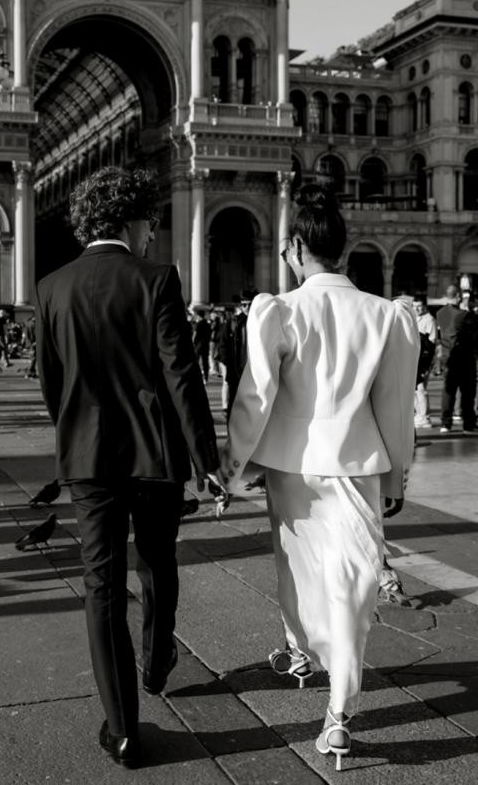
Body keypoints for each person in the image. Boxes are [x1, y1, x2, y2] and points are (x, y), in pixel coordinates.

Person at [211, 184, 419, 770]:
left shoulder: (279, 310)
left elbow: (254, 400)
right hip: (358, 463)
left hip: (293, 465)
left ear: (299, 247)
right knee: (352, 584)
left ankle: (303, 652)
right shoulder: (387, 316)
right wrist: (397, 477)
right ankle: (338, 711)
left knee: (298, 567)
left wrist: (232, 469)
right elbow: (395, 407)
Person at [35, 167, 219, 769]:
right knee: (158, 562)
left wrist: (74, 430)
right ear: (130, 220)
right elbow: (182, 377)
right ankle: (156, 660)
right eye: (150, 224)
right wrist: (205, 460)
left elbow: (51, 381)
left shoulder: (51, 287)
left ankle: (121, 730)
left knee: (101, 585)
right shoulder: (156, 280)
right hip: (155, 456)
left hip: (87, 460)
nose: (152, 236)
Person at [437, 285, 478, 433]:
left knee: (448, 390)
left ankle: (445, 423)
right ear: (459, 296)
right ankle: (468, 424)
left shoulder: (440, 313)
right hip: (465, 356)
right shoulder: (465, 314)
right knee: (467, 391)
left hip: (448, 356)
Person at [217, 290, 257, 419]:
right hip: (236, 371)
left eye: (250, 304)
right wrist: (226, 362)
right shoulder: (233, 322)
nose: (247, 308)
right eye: (244, 305)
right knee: (234, 410)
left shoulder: (261, 321)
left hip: (255, 373)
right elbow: (222, 344)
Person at [412, 295, 437, 429]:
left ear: (425, 306)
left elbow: (431, 342)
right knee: (414, 388)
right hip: (414, 359)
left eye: (419, 306)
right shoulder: (414, 318)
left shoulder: (430, 320)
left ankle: (424, 417)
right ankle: (419, 414)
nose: (416, 309)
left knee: (421, 388)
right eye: (414, 306)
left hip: (424, 360)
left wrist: (428, 363)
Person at [193, 309, 211, 383]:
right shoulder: (207, 324)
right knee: (205, 362)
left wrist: (193, 344)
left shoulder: (197, 324)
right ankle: (205, 377)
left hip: (198, 345)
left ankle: (196, 376)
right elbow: (209, 334)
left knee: (196, 361)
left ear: (198, 316)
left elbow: (195, 335)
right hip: (205, 344)